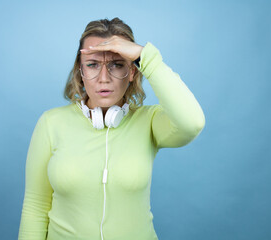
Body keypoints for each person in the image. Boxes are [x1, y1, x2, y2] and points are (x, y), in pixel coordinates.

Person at [18, 17, 205, 240]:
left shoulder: (150, 121)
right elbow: (35, 206)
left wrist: (144, 57)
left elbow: (192, 123)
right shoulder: (51, 123)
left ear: (133, 72)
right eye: (93, 64)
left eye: (117, 65)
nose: (104, 78)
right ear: (81, 71)